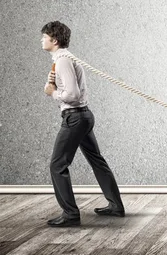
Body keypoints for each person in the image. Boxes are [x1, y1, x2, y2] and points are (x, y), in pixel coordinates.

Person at [41, 21, 125, 227]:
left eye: (44, 37)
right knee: (97, 160)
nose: (41, 40)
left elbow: (72, 95)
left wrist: (52, 93)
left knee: (57, 165)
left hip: (75, 117)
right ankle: (116, 206)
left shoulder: (62, 61)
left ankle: (70, 215)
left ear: (55, 40)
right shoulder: (65, 59)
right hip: (83, 116)